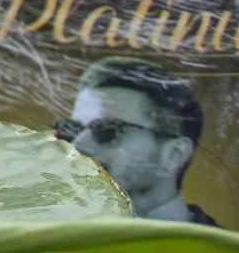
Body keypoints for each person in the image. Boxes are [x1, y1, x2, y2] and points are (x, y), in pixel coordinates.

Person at [57, 57, 216, 225]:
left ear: (173, 154)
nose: (78, 145)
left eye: (107, 130)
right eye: (72, 129)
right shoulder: (50, 241)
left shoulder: (224, 250)